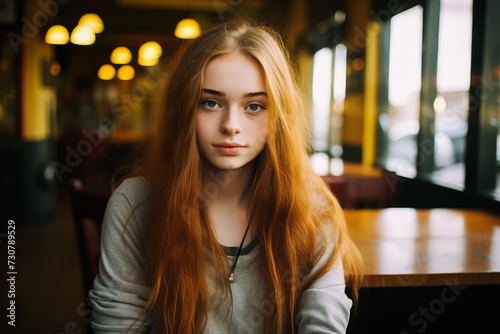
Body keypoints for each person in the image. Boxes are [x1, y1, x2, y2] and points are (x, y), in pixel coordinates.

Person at [89, 20, 363, 334]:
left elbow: (323, 322)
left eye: (255, 106)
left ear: (279, 117)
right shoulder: (136, 202)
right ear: (185, 110)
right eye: (210, 102)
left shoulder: (310, 205)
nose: (231, 124)